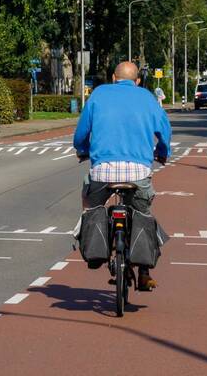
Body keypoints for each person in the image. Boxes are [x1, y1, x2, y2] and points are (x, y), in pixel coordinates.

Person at [73, 61, 171, 290]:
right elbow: (164, 132)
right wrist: (163, 152)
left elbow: (81, 134)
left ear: (113, 78)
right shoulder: (147, 97)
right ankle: (144, 272)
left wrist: (82, 149)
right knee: (143, 213)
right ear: (137, 81)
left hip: (102, 171)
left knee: (89, 202)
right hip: (138, 173)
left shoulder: (98, 95)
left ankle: (93, 244)